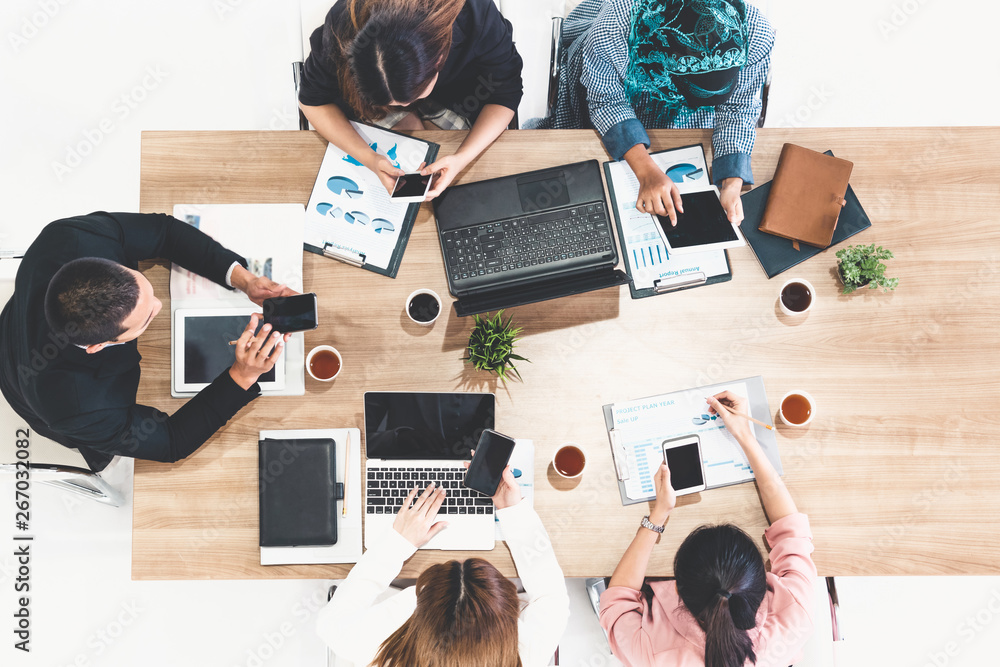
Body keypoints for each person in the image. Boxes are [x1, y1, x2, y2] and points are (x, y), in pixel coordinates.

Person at [0, 212, 296, 471]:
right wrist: (242, 376)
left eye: (146, 290)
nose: (159, 306)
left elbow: (164, 233)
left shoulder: (71, 235)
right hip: (24, 387)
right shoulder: (80, 409)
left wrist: (244, 280)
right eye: (146, 318)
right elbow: (172, 442)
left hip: (21, 313)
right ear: (98, 346)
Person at [600, 390, 816, 667]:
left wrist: (659, 514)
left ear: (676, 588)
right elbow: (791, 531)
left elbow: (615, 601)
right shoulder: (794, 615)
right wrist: (745, 435)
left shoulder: (651, 653)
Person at [533, 0, 774, 226]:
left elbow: (738, 107)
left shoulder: (756, 32)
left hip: (687, 116)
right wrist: (646, 171)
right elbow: (606, 99)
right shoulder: (615, 26)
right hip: (623, 86)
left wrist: (732, 182)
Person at [316, 463, 570, 666]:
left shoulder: (378, 647)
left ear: (419, 611)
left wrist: (399, 541)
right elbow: (552, 597)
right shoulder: (525, 655)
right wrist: (512, 509)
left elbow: (330, 624)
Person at [299, 0, 523, 200]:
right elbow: (311, 101)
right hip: (367, 111)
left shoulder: (475, 15)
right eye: (396, 105)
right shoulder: (342, 24)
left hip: (461, 97)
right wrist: (370, 159)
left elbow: (505, 93)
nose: (404, 108)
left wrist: (461, 159)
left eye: (411, 99)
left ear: (440, 59)